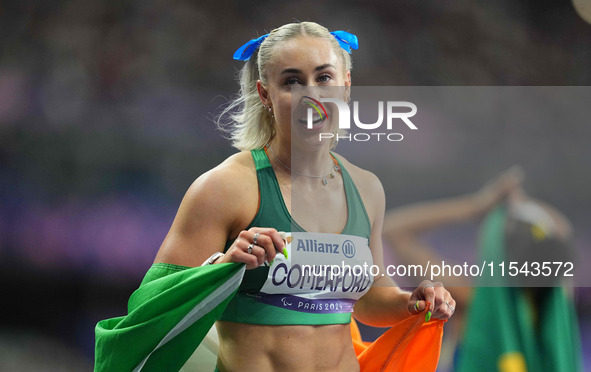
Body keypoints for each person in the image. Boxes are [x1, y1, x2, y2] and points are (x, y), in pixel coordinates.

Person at [95, 21, 455, 372]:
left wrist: (413, 301)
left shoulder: (366, 188)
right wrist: (223, 267)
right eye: (292, 81)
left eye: (324, 77)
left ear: (346, 86)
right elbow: (152, 306)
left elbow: (368, 297)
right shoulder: (225, 187)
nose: (311, 94)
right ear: (265, 93)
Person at [383, 168, 582, 372]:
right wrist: (527, 207)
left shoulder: (471, 303)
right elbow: (562, 234)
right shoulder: (558, 307)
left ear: (496, 254)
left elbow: (394, 231)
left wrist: (475, 206)